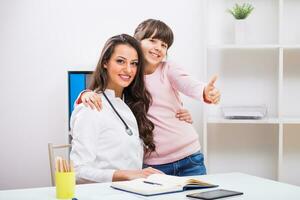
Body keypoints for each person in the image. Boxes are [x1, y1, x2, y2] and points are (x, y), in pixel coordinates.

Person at [77, 19, 221, 176]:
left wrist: (204, 91)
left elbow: (187, 83)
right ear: (136, 42)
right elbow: (105, 90)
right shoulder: (128, 79)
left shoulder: (167, 69)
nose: (158, 48)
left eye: (164, 45)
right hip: (154, 164)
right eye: (152, 40)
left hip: (188, 156)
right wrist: (84, 94)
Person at [70, 34, 162, 183]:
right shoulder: (91, 108)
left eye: (134, 63)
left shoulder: (130, 105)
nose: (128, 69)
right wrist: (125, 174)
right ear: (105, 62)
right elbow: (77, 171)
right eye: (120, 61)